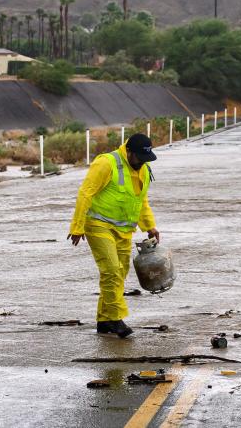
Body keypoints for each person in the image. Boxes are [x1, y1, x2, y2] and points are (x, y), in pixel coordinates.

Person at [67, 133, 160, 338]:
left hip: (124, 230)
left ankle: (104, 320)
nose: (143, 163)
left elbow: (141, 200)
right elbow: (86, 192)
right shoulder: (107, 163)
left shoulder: (143, 169)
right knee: (110, 270)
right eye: (139, 158)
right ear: (128, 152)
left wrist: (149, 226)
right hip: (98, 225)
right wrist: (77, 226)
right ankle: (116, 319)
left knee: (119, 273)